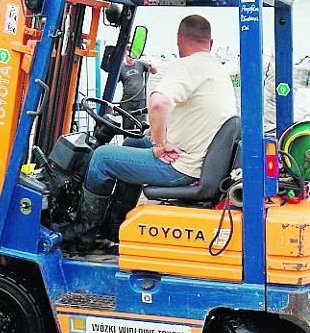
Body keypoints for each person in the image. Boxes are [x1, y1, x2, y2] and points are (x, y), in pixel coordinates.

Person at [65, 14, 238, 252]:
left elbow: (158, 104)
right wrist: (156, 141)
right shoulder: (215, 68)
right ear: (210, 42)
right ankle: (114, 227)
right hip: (201, 159)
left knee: (101, 158)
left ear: (179, 39)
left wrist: (159, 144)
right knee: (133, 142)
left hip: (183, 167)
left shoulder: (187, 66)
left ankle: (82, 238)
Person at [118, 49, 157, 131]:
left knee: (142, 126)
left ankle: (140, 142)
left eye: (133, 55)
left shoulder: (140, 64)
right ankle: (128, 143)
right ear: (125, 55)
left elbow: (154, 71)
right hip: (127, 102)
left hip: (140, 101)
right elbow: (113, 82)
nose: (131, 58)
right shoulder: (120, 68)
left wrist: (152, 65)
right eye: (129, 56)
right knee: (128, 128)